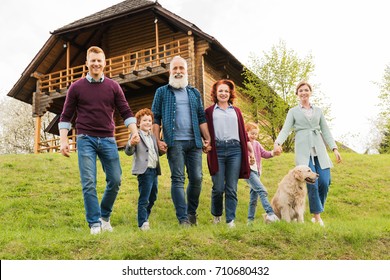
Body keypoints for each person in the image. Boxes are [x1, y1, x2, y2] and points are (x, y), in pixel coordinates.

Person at [59, 46, 140, 235]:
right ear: (87, 63)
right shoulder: (76, 87)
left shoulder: (113, 87)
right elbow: (65, 116)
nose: (96, 63)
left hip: (108, 139)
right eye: (92, 60)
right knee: (89, 182)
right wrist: (64, 141)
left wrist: (134, 132)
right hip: (85, 138)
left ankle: (104, 216)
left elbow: (126, 111)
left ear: (104, 63)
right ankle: (94, 223)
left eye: (99, 60)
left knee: (116, 179)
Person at [151, 56, 211, 227]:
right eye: (175, 68)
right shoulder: (162, 92)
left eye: (181, 69)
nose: (178, 72)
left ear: (186, 71)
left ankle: (191, 213)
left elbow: (201, 117)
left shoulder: (194, 93)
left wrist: (208, 137)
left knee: (197, 178)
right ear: (170, 71)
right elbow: (156, 118)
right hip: (174, 142)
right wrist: (157, 140)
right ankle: (183, 218)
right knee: (177, 179)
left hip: (194, 143)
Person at [274, 81, 342, 227]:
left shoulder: (318, 111)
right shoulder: (293, 111)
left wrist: (334, 148)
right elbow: (286, 129)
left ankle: (318, 209)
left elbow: (326, 130)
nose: (304, 93)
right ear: (297, 94)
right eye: (301, 91)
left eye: (306, 90)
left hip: (320, 150)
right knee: (312, 183)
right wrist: (278, 143)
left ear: (310, 92)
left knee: (324, 181)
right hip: (303, 151)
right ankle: (317, 217)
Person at [205, 79, 255, 228]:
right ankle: (217, 215)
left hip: (235, 150)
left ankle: (230, 220)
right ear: (215, 93)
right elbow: (205, 131)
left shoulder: (236, 111)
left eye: (226, 91)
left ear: (230, 93)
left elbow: (243, 133)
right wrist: (205, 143)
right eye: (221, 91)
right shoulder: (209, 111)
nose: (223, 93)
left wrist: (250, 151)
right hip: (217, 150)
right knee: (218, 187)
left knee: (231, 188)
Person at [125, 108, 161, 231]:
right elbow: (128, 151)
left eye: (149, 120)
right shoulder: (136, 135)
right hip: (144, 171)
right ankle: (142, 223)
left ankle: (146, 217)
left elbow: (155, 152)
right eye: (144, 120)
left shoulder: (152, 136)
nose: (147, 123)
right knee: (144, 197)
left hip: (154, 170)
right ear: (138, 123)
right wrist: (131, 143)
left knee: (153, 197)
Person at [245, 122, 280, 224]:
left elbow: (264, 154)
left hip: (257, 172)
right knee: (262, 190)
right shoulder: (243, 144)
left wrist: (274, 152)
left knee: (253, 199)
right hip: (249, 172)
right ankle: (270, 214)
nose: (254, 136)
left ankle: (250, 221)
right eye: (252, 133)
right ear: (246, 133)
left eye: (256, 134)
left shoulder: (257, 144)